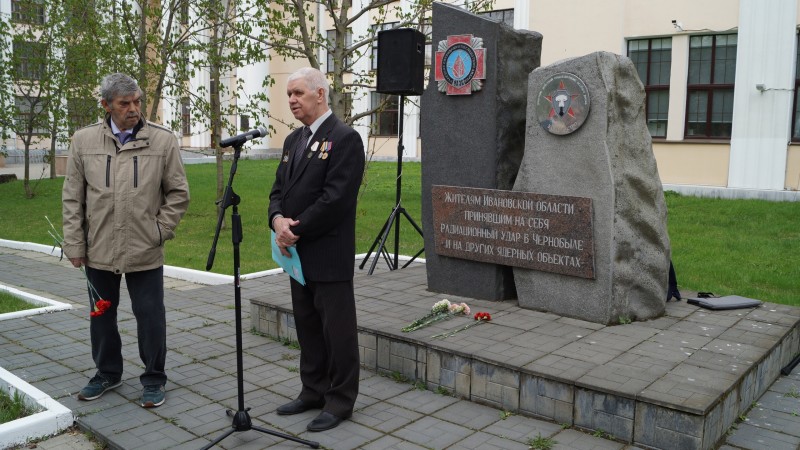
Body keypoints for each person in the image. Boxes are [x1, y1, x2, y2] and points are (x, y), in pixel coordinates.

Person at [62, 73, 190, 408]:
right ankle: (107, 373)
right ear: (106, 105)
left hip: (144, 248)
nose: (133, 109)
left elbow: (178, 194)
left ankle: (154, 378)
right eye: (124, 103)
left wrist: (159, 231)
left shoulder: (162, 140)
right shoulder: (83, 141)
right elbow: (73, 198)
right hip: (99, 248)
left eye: (137, 101)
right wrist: (74, 244)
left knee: (150, 316)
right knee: (101, 316)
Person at [268, 67, 365, 432]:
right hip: (298, 256)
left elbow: (335, 199)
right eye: (289, 94)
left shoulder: (345, 138)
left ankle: (340, 400)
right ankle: (313, 390)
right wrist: (277, 220)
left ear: (320, 94)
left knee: (337, 332)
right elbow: (278, 190)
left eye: (298, 93)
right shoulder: (294, 140)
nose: (292, 100)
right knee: (307, 326)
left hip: (328, 253)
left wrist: (295, 229)